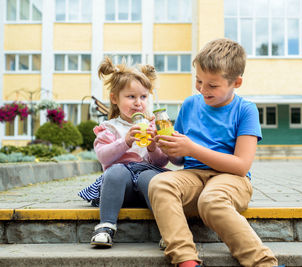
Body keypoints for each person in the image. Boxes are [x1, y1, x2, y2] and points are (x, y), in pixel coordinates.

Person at [149, 38, 279, 267]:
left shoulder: (245, 110)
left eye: (212, 85)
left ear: (236, 82)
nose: (202, 89)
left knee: (211, 200)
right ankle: (186, 260)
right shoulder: (189, 105)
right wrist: (168, 146)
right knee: (160, 183)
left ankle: (263, 263)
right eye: (199, 81)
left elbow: (241, 165)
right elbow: (179, 160)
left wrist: (192, 148)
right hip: (193, 178)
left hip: (231, 180)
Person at [78, 57, 169, 248]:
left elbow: (161, 162)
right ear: (114, 98)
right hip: (120, 188)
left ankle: (169, 231)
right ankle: (105, 227)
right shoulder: (109, 127)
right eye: (131, 97)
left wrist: (153, 147)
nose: (138, 103)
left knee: (151, 176)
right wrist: (125, 142)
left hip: (147, 187)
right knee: (116, 171)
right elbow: (103, 157)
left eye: (143, 97)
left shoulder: (153, 124)